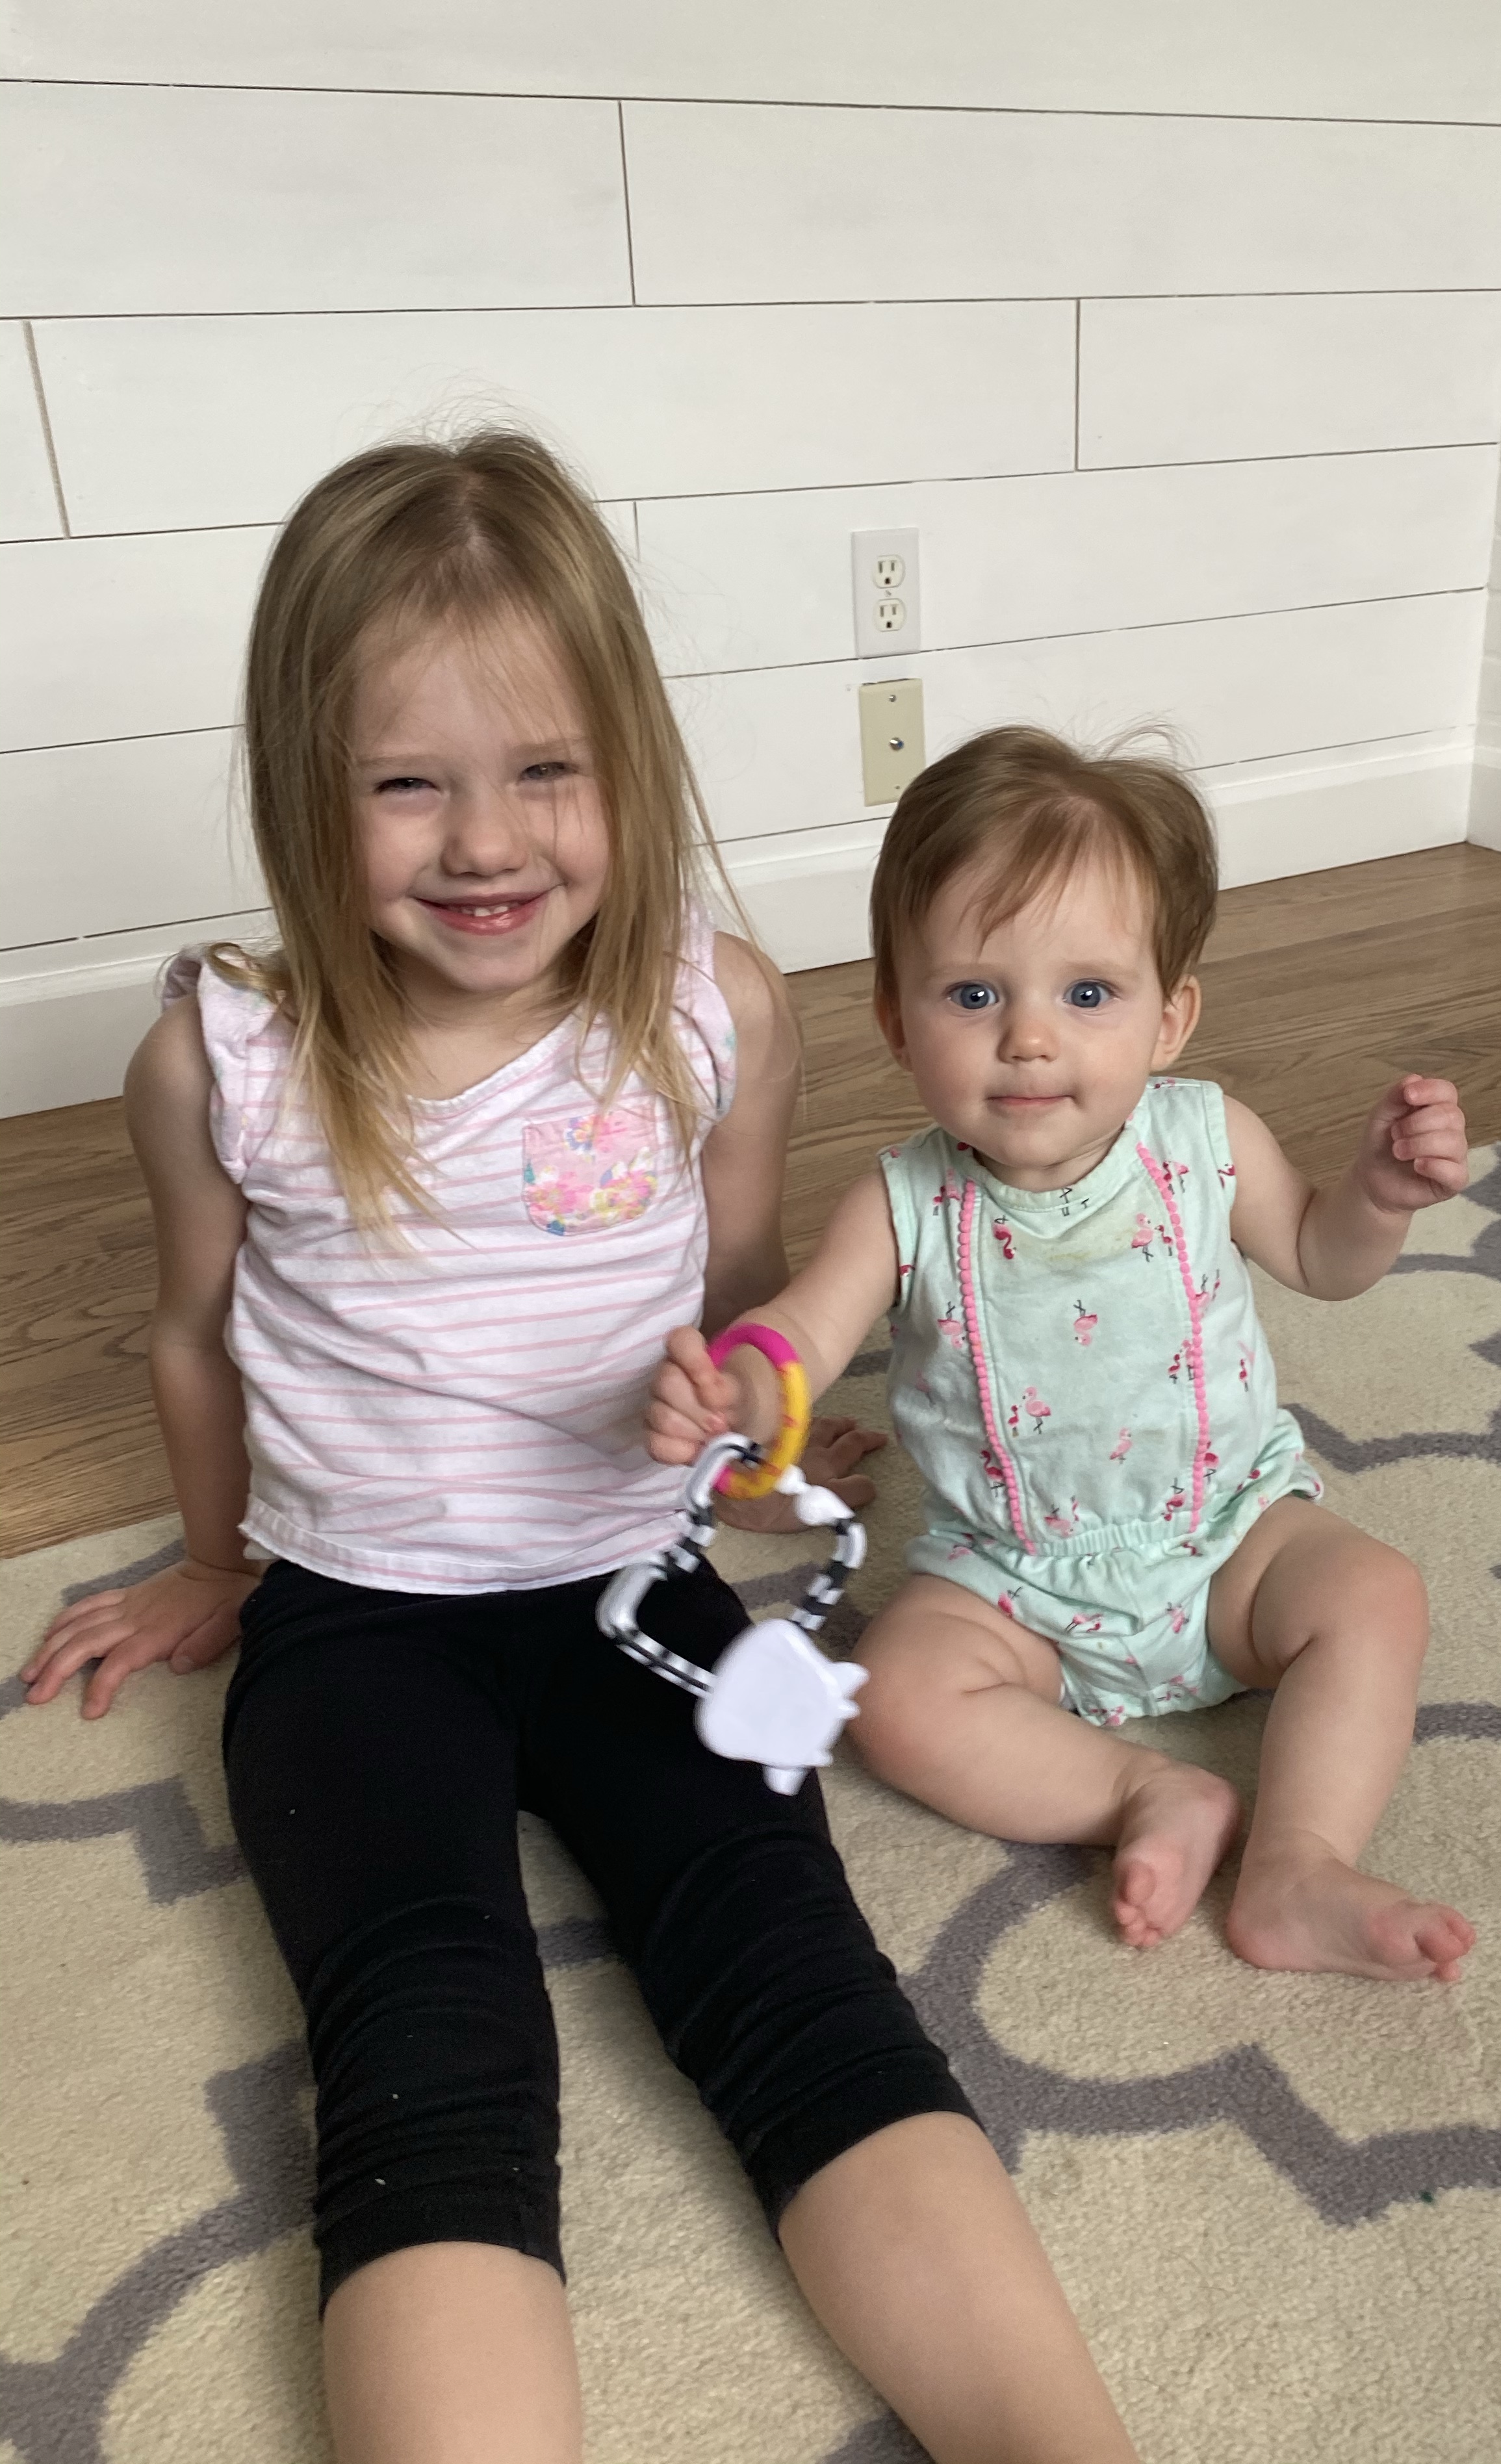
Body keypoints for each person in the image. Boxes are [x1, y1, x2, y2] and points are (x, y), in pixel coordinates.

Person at [19, 441, 1139, 2464]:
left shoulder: (715, 1012)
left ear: (630, 758)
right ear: (302, 786)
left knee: (797, 1973)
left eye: (546, 769)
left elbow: (733, 1285)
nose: (485, 841)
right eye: (405, 782)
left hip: (650, 1586)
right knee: (426, 2041)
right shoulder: (225, 1059)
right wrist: (211, 1560)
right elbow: (188, 1333)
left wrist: (764, 1422)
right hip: (358, 1622)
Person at [650, 727, 1478, 1984]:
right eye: (974, 995)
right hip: (1010, 1581)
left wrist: (1375, 1198)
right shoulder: (904, 1200)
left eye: (1088, 995)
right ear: (896, 1019)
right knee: (897, 1694)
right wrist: (743, 1385)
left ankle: (1299, 1865)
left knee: (1376, 1595)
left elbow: (1322, 1259)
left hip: (1229, 1540)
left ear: (1170, 1017)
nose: (1030, 1039)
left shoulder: (1209, 1139)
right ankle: (1148, 1792)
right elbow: (807, 1328)